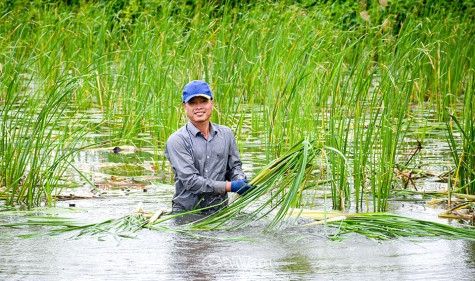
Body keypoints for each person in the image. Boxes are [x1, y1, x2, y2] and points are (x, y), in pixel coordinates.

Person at [165, 80, 253, 213]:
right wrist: (231, 186)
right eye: (192, 103)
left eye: (203, 101)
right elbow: (191, 181)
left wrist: (240, 181)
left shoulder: (226, 134)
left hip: (220, 211)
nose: (198, 107)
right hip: (187, 214)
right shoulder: (177, 140)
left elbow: (234, 167)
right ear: (184, 106)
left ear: (212, 103)